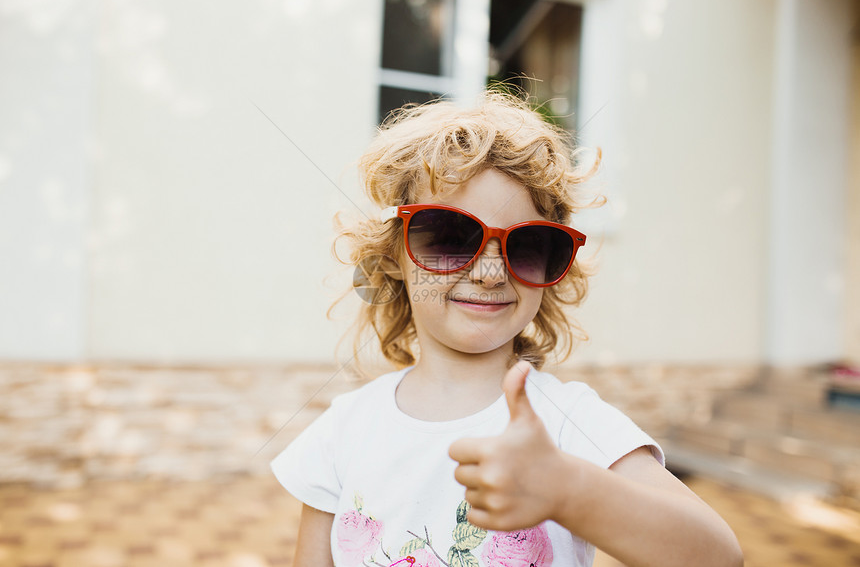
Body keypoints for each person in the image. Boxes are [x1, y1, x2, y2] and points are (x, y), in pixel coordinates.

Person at [271, 91, 743, 567]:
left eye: (527, 244)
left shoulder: (566, 422)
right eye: (453, 237)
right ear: (393, 256)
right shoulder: (343, 429)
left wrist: (570, 490)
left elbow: (719, 557)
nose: (491, 273)